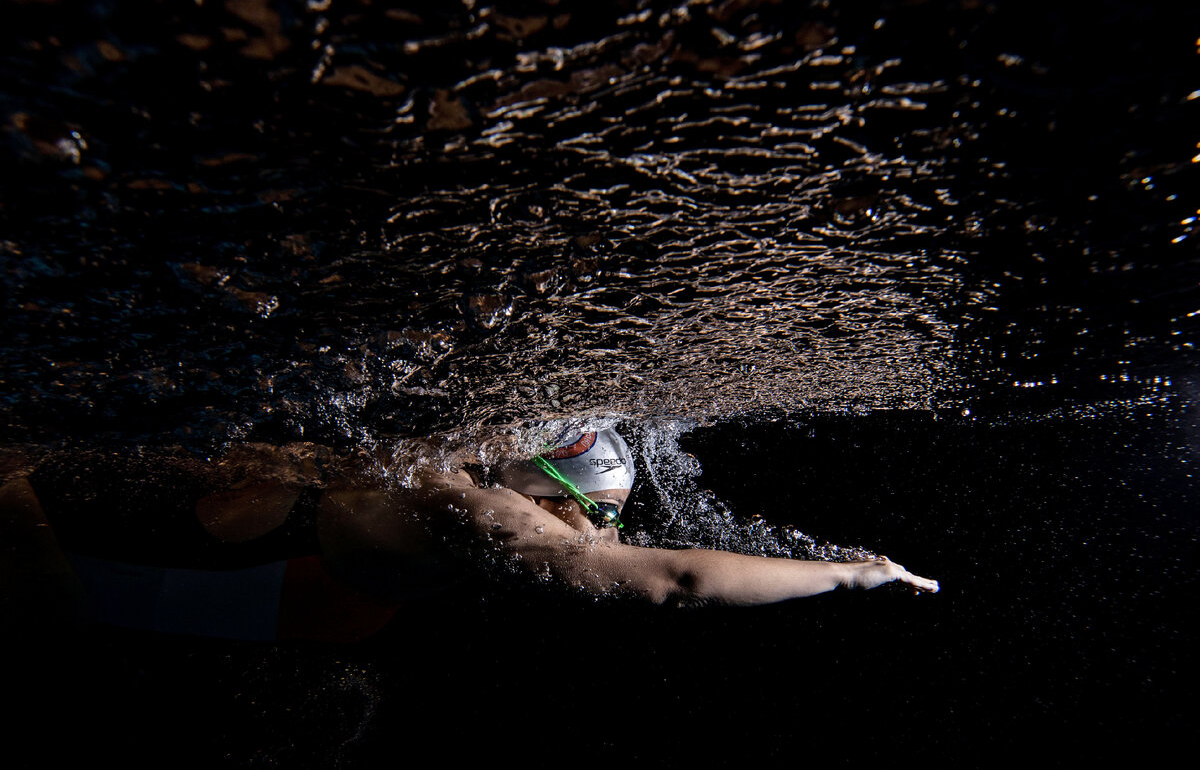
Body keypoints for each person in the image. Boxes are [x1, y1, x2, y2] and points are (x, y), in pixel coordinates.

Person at [0, 426, 937, 642]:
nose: (607, 528)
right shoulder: (475, 503)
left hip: (260, 574)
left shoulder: (478, 505)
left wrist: (847, 576)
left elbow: (674, 581)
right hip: (310, 591)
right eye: (600, 508)